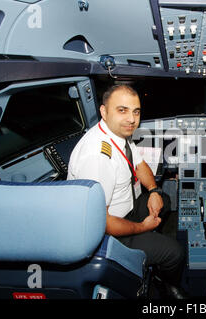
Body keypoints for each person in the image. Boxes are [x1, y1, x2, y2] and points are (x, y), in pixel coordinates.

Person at [67, 84, 186, 299]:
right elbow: (103, 222)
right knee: (175, 253)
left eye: (136, 111)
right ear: (104, 111)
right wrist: (142, 227)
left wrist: (153, 191)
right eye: (122, 110)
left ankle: (150, 242)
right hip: (108, 233)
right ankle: (168, 285)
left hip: (128, 208)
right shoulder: (97, 157)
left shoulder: (119, 134)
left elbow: (139, 165)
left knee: (165, 200)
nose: (132, 119)